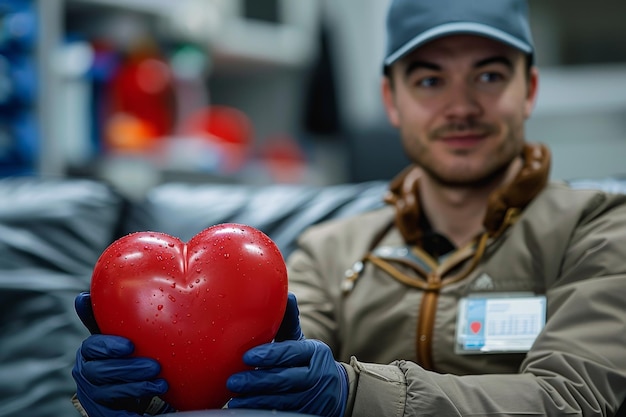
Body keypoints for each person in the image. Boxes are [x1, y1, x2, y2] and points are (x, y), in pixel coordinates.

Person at [72, 0, 626, 416]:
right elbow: (255, 381)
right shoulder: (331, 246)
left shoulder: (599, 228)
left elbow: (573, 397)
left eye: (489, 75)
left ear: (528, 90)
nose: (460, 106)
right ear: (392, 99)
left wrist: (353, 392)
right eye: (430, 79)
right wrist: (148, 392)